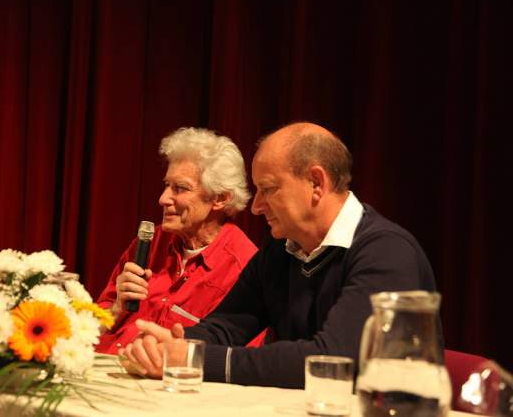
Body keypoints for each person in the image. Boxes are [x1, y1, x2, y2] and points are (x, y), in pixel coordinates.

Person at [119, 122, 440, 388]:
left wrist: (194, 359)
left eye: (268, 189)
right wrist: (171, 344)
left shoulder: (386, 253)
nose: (256, 207)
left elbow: (333, 359)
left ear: (316, 183)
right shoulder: (280, 248)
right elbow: (226, 327)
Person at [95, 127, 257, 354]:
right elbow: (91, 326)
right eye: (166, 185)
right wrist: (116, 308)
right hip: (102, 363)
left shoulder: (244, 268)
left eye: (180, 188)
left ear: (220, 198)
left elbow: (236, 359)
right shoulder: (150, 242)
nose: (163, 199)